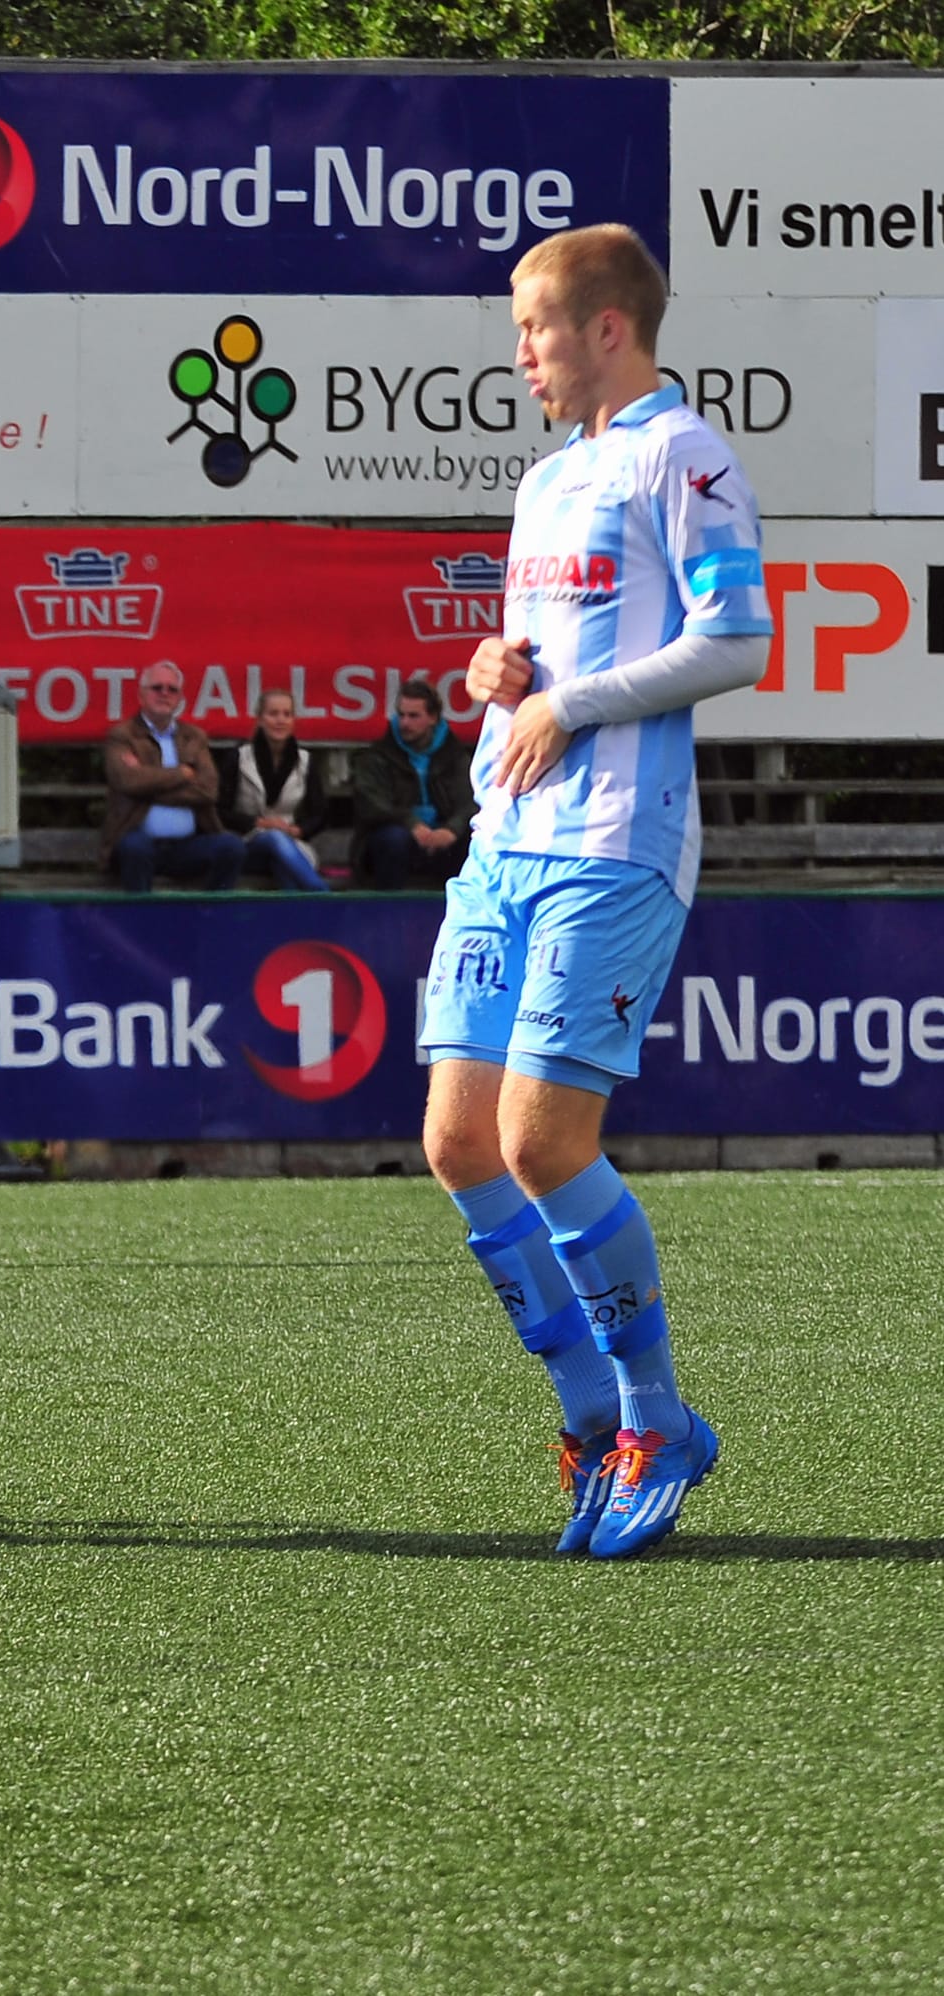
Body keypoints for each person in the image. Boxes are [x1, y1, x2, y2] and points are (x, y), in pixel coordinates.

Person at [421, 223, 771, 1560]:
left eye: (534, 328)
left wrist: (566, 705)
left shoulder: (683, 454)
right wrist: (497, 677)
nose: (518, 354)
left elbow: (734, 639)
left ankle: (653, 1420)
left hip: (614, 842)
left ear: (606, 328)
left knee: (539, 1142)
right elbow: (538, 661)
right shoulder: (546, 477)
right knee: (459, 1144)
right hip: (504, 840)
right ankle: (584, 1417)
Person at [103, 662, 241, 891]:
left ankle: (210, 910)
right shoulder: (122, 735)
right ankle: (141, 913)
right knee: (135, 848)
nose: (164, 693)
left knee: (231, 847)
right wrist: (182, 774)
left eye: (172, 689)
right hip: (139, 841)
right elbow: (127, 781)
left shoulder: (194, 736)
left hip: (187, 846)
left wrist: (146, 786)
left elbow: (207, 790)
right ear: (141, 695)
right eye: (157, 687)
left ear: (179, 699)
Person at [354, 680, 476, 888]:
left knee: (471, 840)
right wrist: (411, 823)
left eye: (413, 716)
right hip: (397, 836)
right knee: (393, 839)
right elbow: (372, 803)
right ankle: (392, 903)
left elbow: (470, 802)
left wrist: (451, 830)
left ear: (433, 718)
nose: (405, 723)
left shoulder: (455, 756)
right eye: (401, 715)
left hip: (442, 836)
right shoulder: (377, 756)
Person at [222, 687, 329, 891]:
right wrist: (260, 823)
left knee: (284, 865)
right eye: (273, 714)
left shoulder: (305, 760)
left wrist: (298, 830)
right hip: (248, 844)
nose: (280, 720)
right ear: (260, 719)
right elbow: (221, 811)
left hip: (291, 844)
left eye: (287, 714)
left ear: (293, 720)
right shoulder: (239, 758)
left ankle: (296, 910)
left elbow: (320, 814)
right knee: (274, 838)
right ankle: (323, 894)